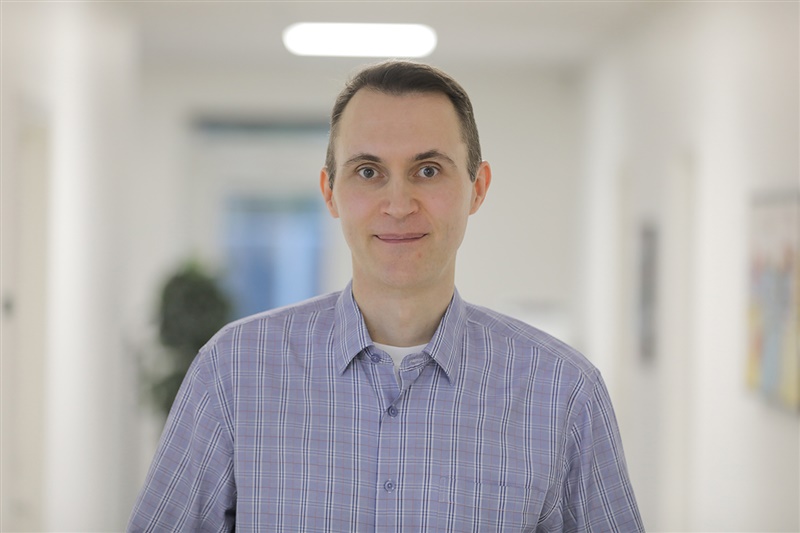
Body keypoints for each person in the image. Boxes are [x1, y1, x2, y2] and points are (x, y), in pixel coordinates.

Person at [128, 60, 644, 532]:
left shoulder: (564, 393)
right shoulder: (232, 372)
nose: (398, 204)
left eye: (428, 170)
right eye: (368, 172)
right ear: (330, 192)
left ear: (478, 188)